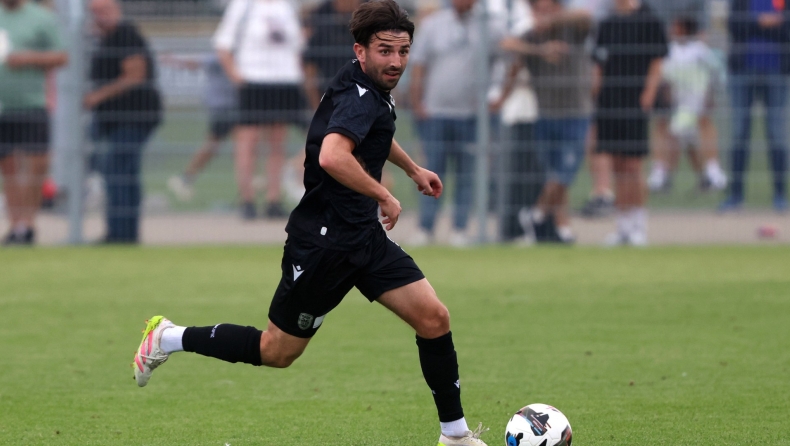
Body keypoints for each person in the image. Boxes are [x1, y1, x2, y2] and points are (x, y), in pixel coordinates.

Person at [130, 2, 489, 445]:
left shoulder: (367, 85)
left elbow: (373, 131)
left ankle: (455, 436)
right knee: (276, 351)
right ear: (360, 50)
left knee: (433, 318)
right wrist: (384, 194)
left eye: (403, 51)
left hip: (364, 238)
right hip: (324, 246)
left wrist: (413, 169)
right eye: (385, 51)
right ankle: (168, 337)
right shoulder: (359, 94)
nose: (396, 61)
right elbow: (333, 156)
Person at [408, 0, 504, 247]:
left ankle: (459, 229)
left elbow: (504, 60)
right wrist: (417, 102)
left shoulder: (488, 26)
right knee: (431, 173)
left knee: (466, 175)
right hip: (435, 113)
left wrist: (499, 96)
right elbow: (419, 64)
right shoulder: (433, 25)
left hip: (471, 116)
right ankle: (425, 228)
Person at [498, 0, 593, 244]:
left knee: (564, 173)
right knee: (553, 175)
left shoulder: (572, 28)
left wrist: (552, 21)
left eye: (548, 8)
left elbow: (585, 16)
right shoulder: (531, 35)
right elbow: (508, 45)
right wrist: (541, 50)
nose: (543, 13)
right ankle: (559, 227)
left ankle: (536, 214)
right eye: (538, 9)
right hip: (546, 115)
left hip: (575, 114)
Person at [214, 0, 306, 220]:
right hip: (253, 80)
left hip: (284, 81)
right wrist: (237, 76)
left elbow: (298, 44)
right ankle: (247, 200)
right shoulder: (243, 5)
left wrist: (296, 70)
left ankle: (273, 199)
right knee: (249, 141)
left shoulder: (287, 6)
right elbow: (223, 45)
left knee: (277, 142)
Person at [86, 0, 162, 244]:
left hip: (134, 116)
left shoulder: (126, 34)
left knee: (117, 171)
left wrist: (98, 96)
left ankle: (121, 233)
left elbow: (135, 75)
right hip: (114, 119)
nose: (99, 16)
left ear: (116, 10)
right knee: (122, 172)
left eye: (104, 10)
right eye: (95, 12)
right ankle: (124, 233)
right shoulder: (105, 39)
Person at [593, 0, 667, 246]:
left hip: (635, 101)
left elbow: (657, 61)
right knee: (617, 165)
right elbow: (598, 64)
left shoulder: (649, 20)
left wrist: (649, 93)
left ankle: (638, 225)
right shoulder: (607, 23)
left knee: (633, 166)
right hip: (609, 101)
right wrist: (596, 93)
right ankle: (623, 227)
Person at [0, 0, 67, 245]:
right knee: (9, 170)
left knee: (36, 166)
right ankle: (16, 226)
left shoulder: (41, 17)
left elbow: (62, 56)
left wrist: (28, 58)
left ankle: (28, 223)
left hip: (33, 105)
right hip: (2, 108)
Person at [720, 0, 790, 213]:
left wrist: (755, 25)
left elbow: (786, 29)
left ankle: (780, 195)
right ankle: (735, 196)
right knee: (739, 133)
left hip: (777, 71)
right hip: (742, 71)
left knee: (776, 133)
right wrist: (762, 22)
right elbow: (734, 25)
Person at [646, 15, 728, 193]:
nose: (671, 30)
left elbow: (715, 74)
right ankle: (663, 175)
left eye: (675, 26)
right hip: (675, 106)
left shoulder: (701, 51)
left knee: (687, 135)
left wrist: (710, 96)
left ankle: (712, 174)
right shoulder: (669, 50)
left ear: (683, 29)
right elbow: (663, 77)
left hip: (694, 106)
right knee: (673, 135)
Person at [166, 54, 238, 202]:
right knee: (216, 144)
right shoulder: (222, 56)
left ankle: (254, 179)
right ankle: (186, 177)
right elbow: (195, 63)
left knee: (238, 144)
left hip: (234, 106)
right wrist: (174, 60)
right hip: (224, 107)